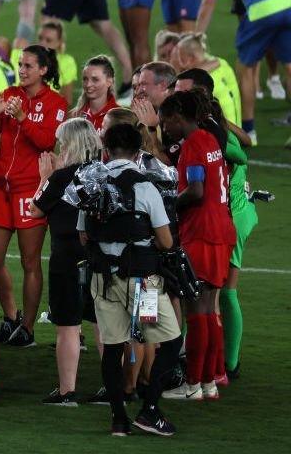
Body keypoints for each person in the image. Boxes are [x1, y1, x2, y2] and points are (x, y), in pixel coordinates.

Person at [79, 122, 180, 437]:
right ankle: (149, 408)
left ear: (106, 150)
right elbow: (166, 242)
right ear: (139, 152)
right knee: (167, 339)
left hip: (105, 282)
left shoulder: (93, 185)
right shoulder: (146, 187)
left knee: (112, 347)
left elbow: (84, 236)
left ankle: (118, 419)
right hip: (143, 284)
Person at [159, 90, 237, 401]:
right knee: (209, 310)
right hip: (221, 230)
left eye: (166, 122)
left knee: (197, 310)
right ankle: (209, 382)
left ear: (178, 118)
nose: (165, 128)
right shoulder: (209, 139)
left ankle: (193, 383)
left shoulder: (192, 146)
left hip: (201, 233)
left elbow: (195, 190)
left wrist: (169, 205)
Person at [0, 45, 67, 346]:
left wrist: (21, 117)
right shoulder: (9, 93)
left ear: (43, 70)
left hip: (28, 189)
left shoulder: (56, 103)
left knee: (30, 262)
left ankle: (28, 329)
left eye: (28, 66)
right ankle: (12, 315)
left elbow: (47, 141)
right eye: (20, 64)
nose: (21, 70)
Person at [197, 0, 291, 145]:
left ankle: (249, 131)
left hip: (260, 13)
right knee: (289, 65)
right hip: (289, 3)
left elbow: (209, 1)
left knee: (246, 66)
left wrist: (196, 34)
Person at [30, 118, 101, 406]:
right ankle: (114, 387)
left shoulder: (60, 178)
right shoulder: (103, 174)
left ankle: (66, 391)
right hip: (99, 256)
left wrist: (45, 178)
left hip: (66, 257)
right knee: (103, 324)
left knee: (68, 325)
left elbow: (35, 210)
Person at [170, 32, 242, 127]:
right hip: (233, 127)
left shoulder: (202, 80)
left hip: (225, 131)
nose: (178, 62)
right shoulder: (220, 62)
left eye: (181, 58)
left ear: (191, 59)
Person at [11, 20, 79, 102]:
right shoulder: (21, 54)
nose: (42, 44)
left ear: (59, 42)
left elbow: (67, 100)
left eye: (48, 40)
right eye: (40, 38)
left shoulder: (66, 62)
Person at [72, 55, 120, 132]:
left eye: (95, 79)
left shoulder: (119, 117)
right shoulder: (74, 115)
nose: (88, 84)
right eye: (85, 79)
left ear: (109, 82)